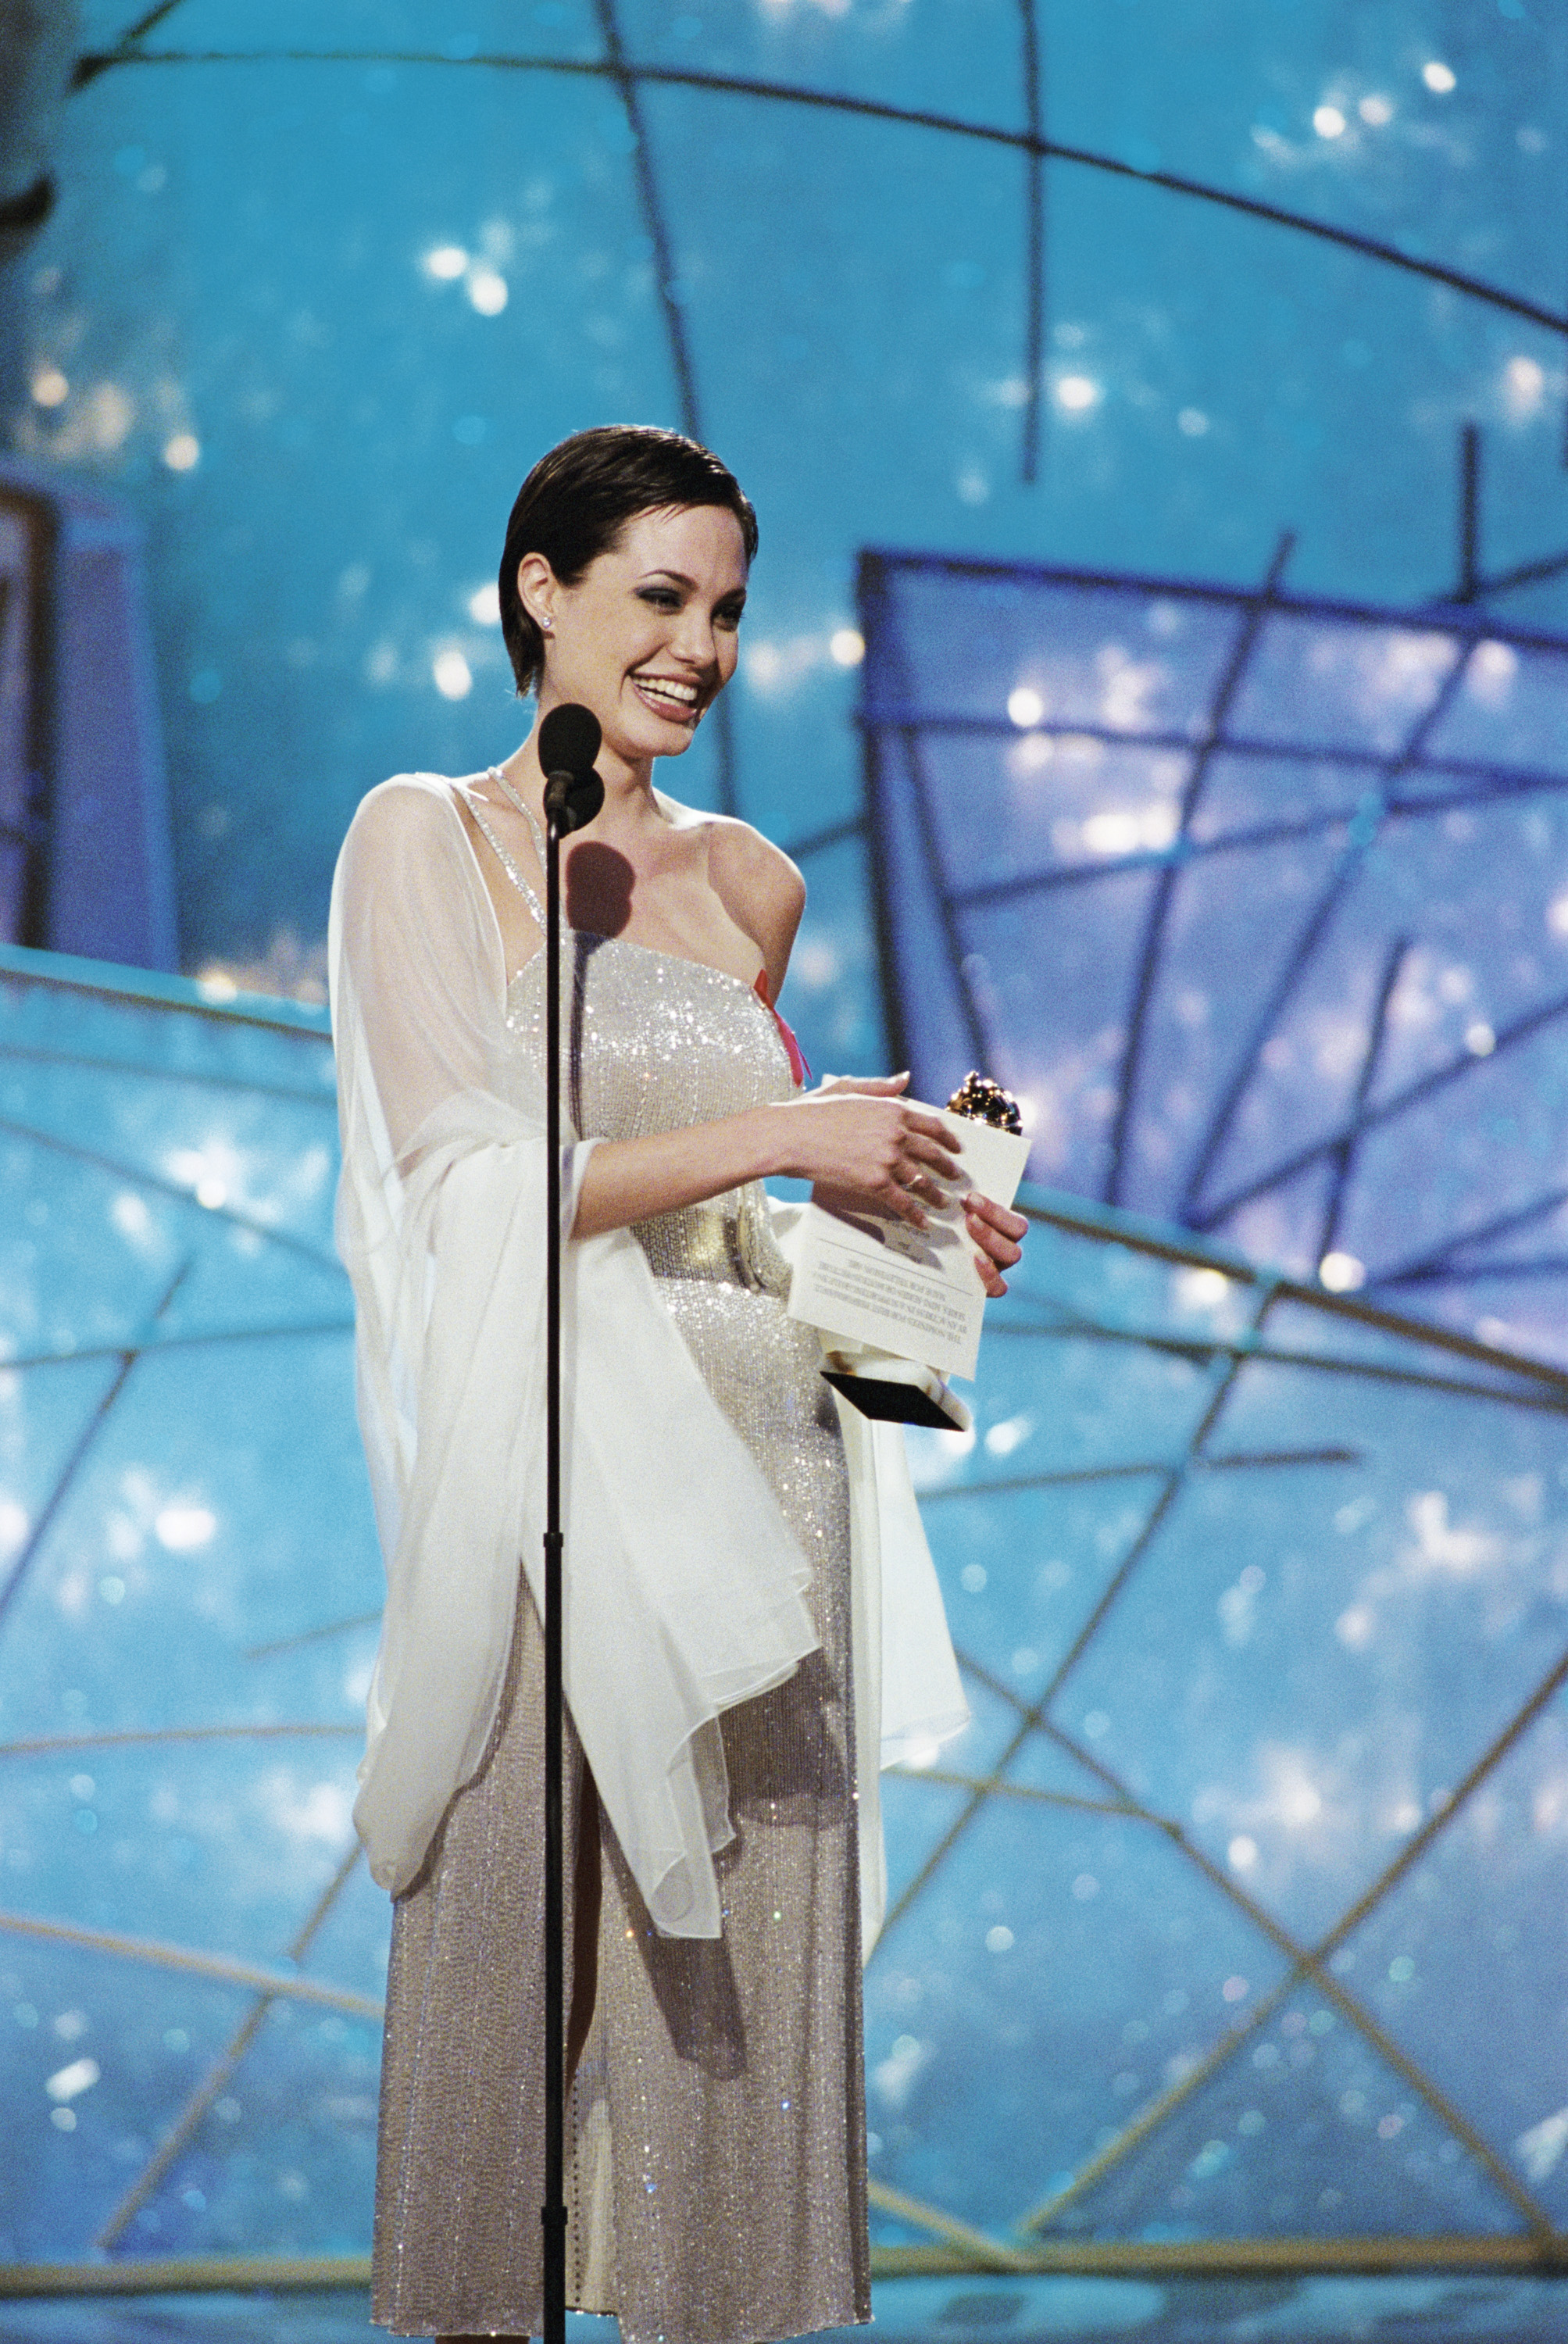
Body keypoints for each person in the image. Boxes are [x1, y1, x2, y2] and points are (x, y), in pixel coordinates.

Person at [328, 425, 1027, 2344]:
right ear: (539, 588)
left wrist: (893, 1223)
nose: (700, 647)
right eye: (658, 597)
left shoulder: (751, 882)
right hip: (550, 1497)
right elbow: (455, 1191)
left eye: (726, 611)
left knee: (741, 2011)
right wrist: (778, 1129)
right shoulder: (433, 836)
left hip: (766, 1484)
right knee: (509, 1963)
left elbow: (736, 1238)